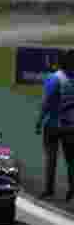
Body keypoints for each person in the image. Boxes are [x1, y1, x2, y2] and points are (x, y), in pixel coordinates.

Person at [36, 48, 74, 200]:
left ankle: (49, 189)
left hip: (52, 124)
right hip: (71, 126)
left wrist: (39, 121)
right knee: (71, 160)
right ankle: (72, 190)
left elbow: (47, 103)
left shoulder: (54, 78)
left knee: (51, 158)